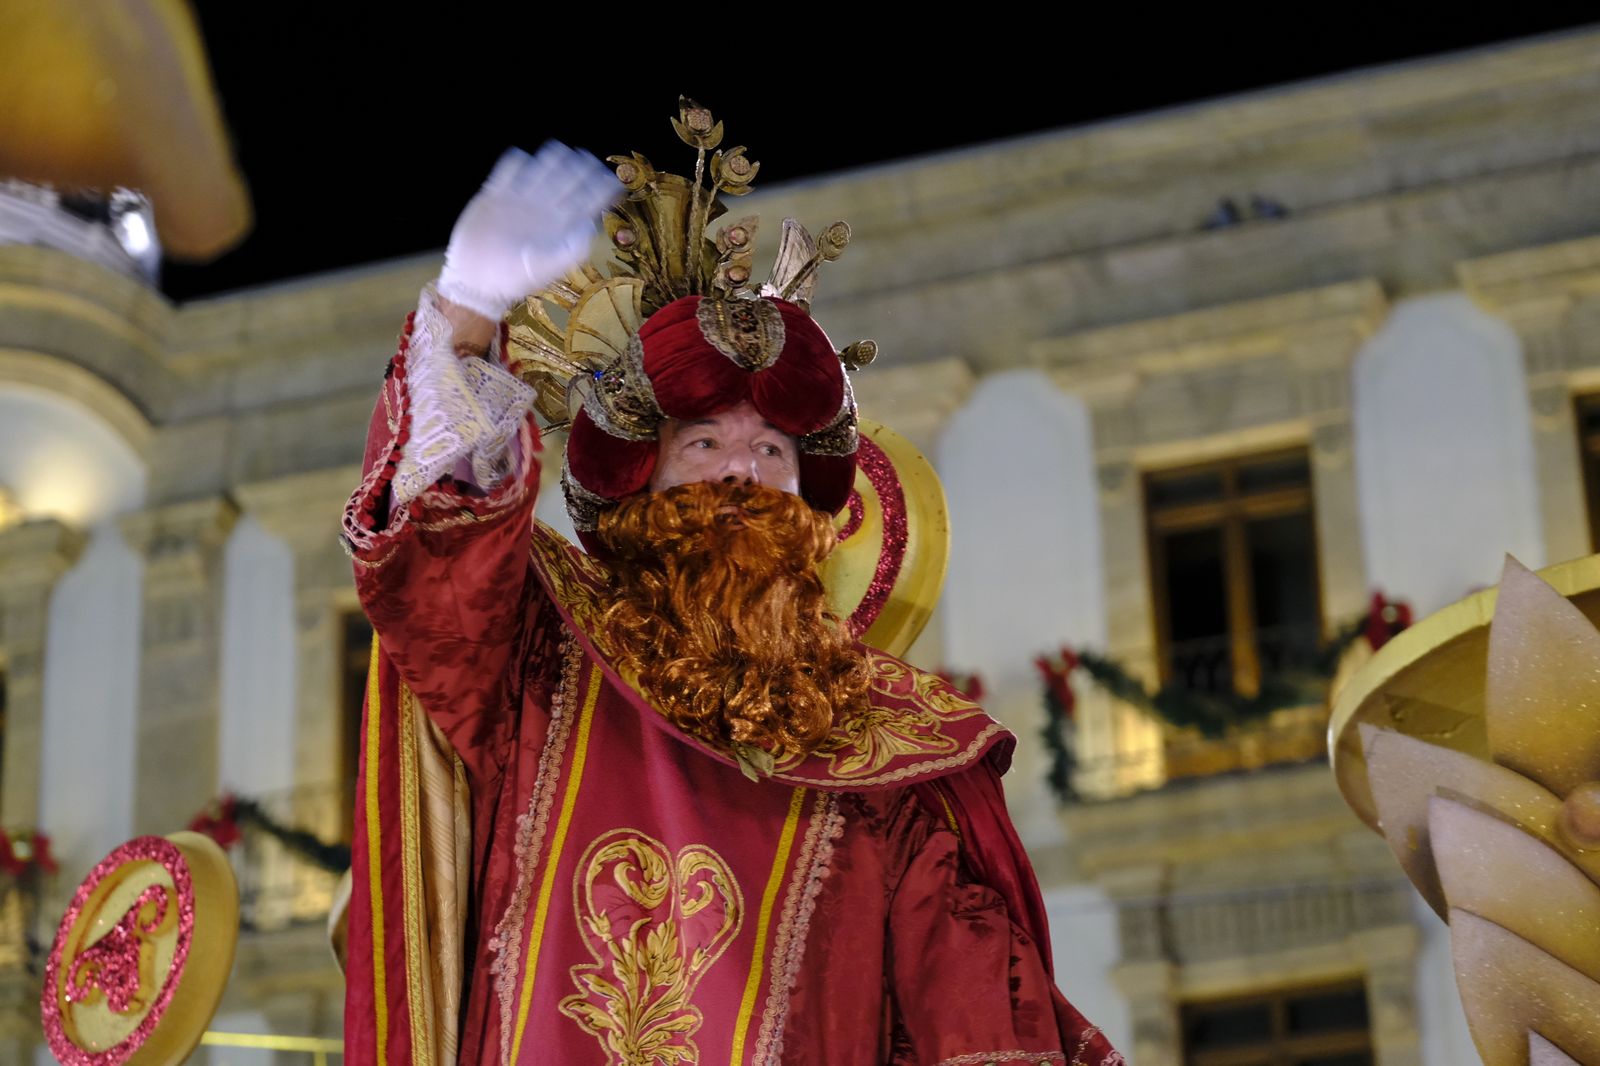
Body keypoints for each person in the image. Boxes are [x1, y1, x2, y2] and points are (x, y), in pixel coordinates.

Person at [340, 109, 1121, 1066]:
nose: (740, 473)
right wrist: (466, 306)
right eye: (703, 443)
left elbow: (974, 1015)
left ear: (816, 502)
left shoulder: (894, 757)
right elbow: (436, 561)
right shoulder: (543, 656)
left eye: (770, 448)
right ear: (640, 483)